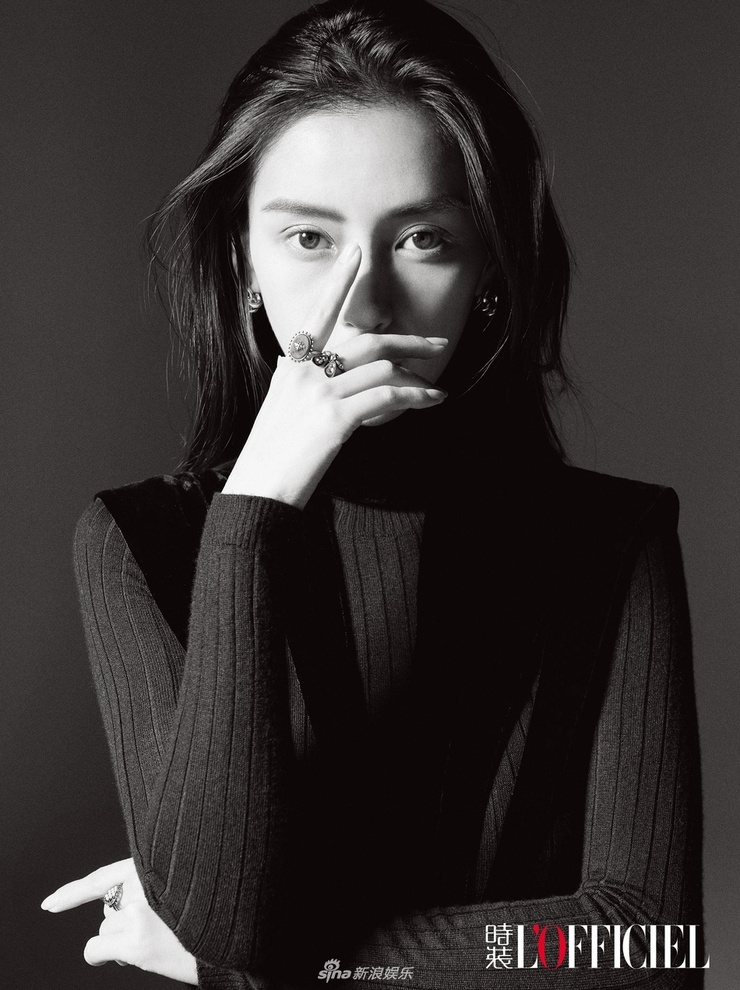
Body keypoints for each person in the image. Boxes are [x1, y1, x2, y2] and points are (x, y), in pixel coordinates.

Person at [41, 0, 705, 986]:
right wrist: (250, 518)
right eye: (310, 238)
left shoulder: (609, 539)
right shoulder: (139, 540)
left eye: (421, 238)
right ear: (242, 260)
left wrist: (280, 966)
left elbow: (643, 944)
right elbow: (220, 912)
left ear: (488, 267)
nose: (361, 301)